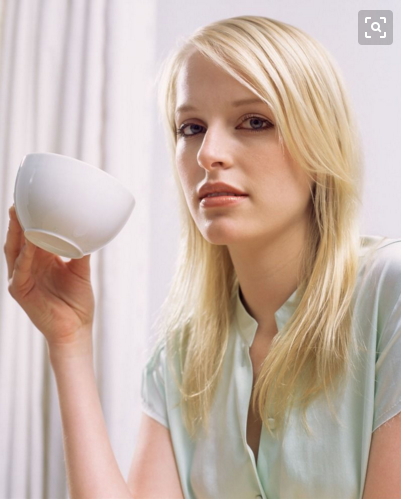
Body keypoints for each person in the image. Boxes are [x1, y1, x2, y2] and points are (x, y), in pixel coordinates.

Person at [4, 14, 401, 499]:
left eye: (254, 122)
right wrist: (68, 342)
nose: (207, 153)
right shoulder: (181, 354)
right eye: (190, 127)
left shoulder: (390, 297)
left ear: (321, 144)